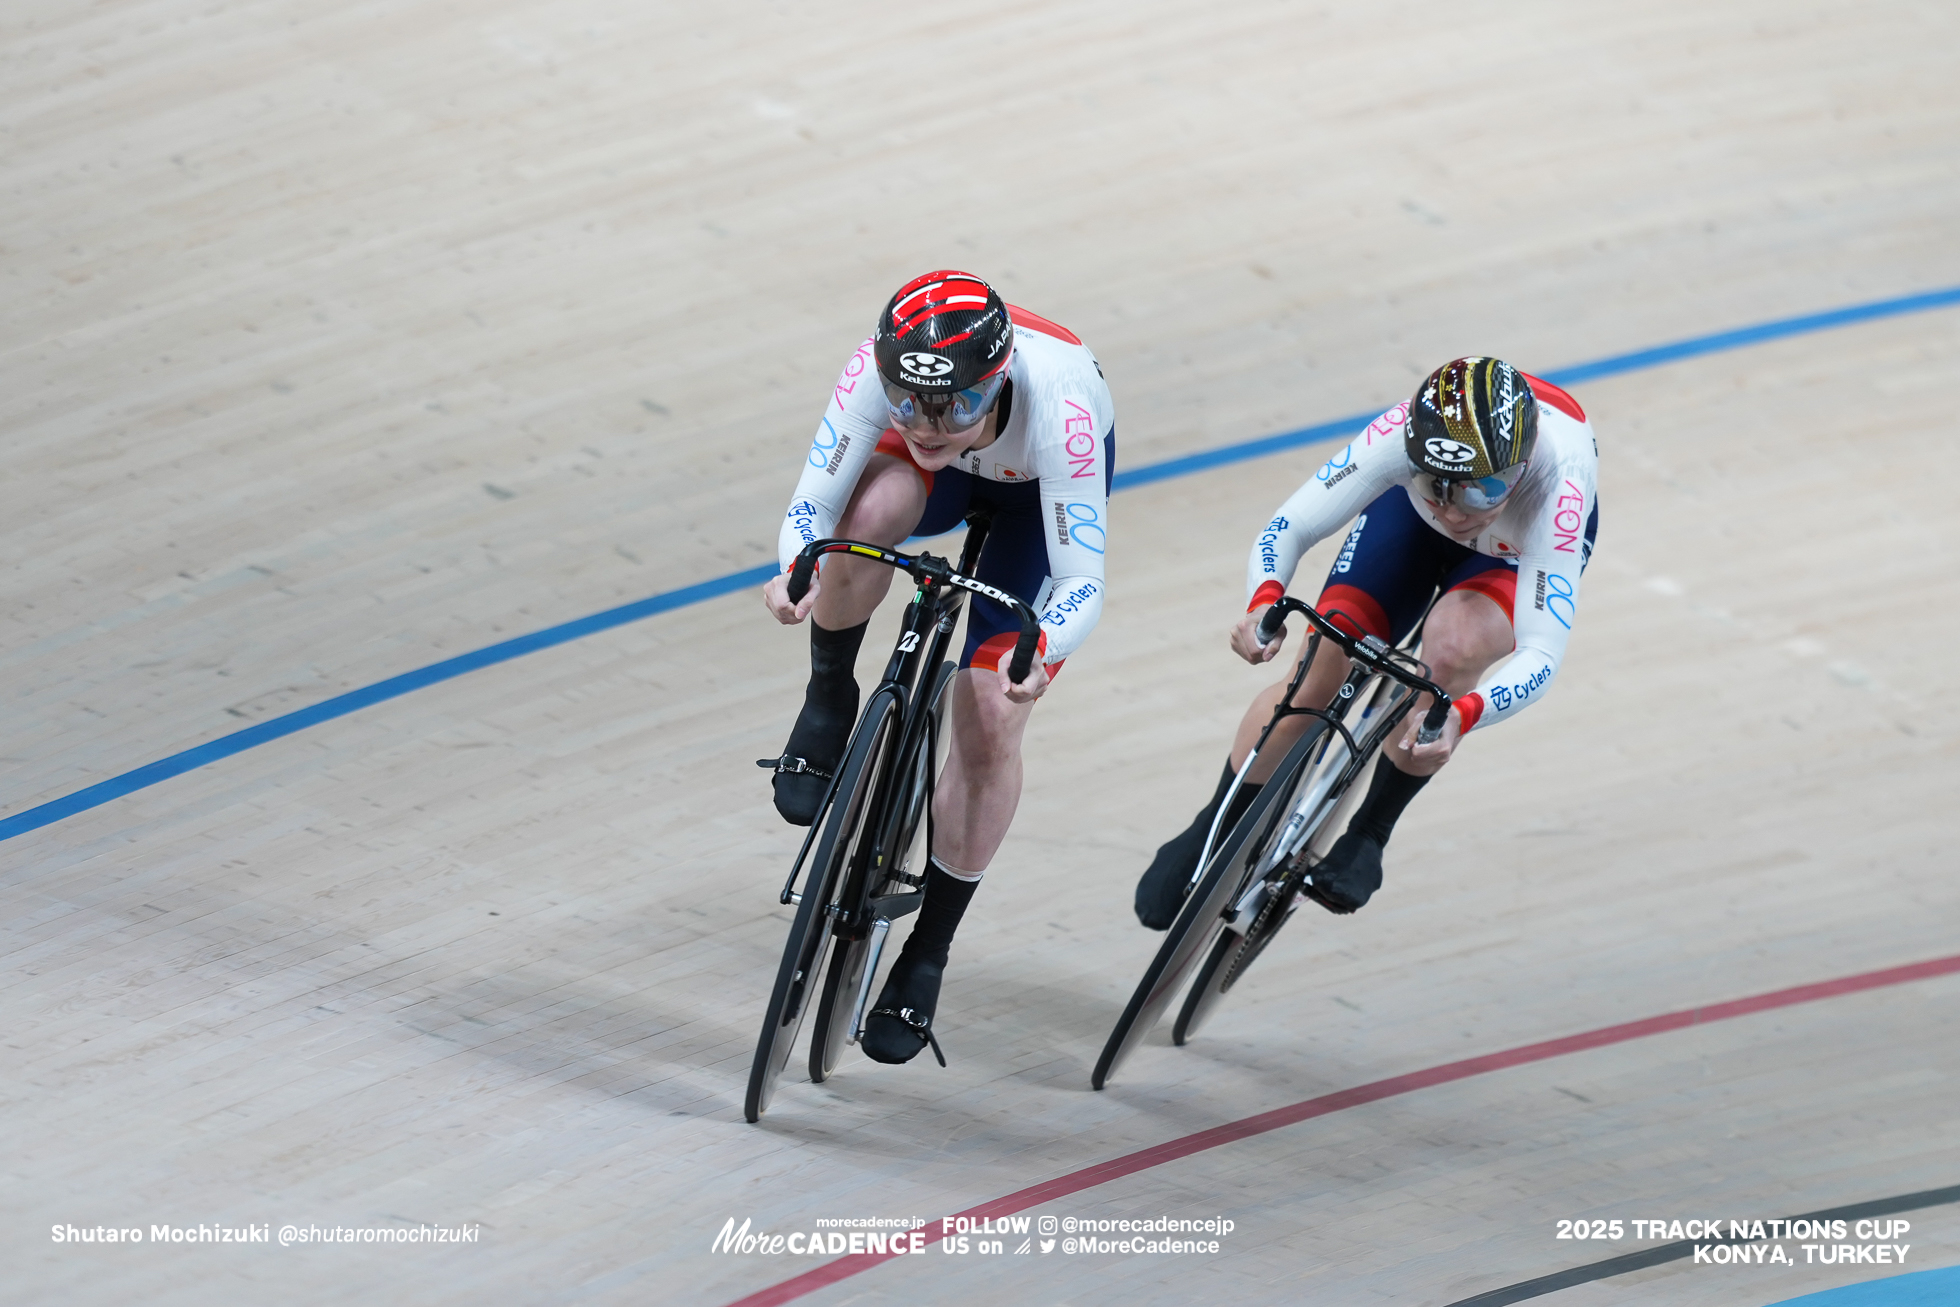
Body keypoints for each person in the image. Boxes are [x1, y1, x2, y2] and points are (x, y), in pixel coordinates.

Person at [762, 270, 1114, 1063]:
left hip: (1035, 498)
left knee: (990, 714)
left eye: (954, 404)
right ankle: (830, 698)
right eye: (907, 401)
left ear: (996, 382)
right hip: (945, 485)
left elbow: (1083, 577)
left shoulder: (1061, 409)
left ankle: (930, 946)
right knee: (869, 517)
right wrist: (798, 571)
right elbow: (809, 512)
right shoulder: (878, 372)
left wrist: (1041, 648)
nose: (926, 423)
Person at [1134, 356, 1598, 928]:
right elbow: (1292, 524)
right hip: (1408, 525)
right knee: (1322, 663)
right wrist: (1264, 600)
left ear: (1521, 468)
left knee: (1451, 652)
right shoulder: (1397, 435)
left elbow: (1541, 653)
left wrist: (1465, 714)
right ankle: (1217, 822)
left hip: (1512, 557)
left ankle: (1371, 830)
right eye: (1440, 485)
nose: (1456, 511)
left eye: (1484, 492)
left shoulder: (1560, 489)